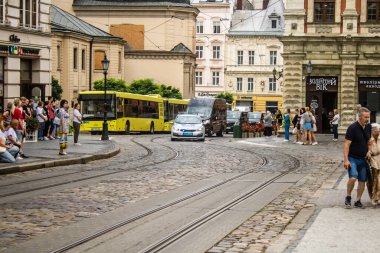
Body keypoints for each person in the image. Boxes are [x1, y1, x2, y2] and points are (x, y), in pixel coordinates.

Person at [344, 107, 371, 208]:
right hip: (352, 158)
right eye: (365, 117)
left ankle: (358, 200)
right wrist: (346, 160)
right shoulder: (352, 128)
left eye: (368, 117)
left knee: (362, 180)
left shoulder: (368, 127)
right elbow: (346, 144)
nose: (367, 119)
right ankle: (348, 196)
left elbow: (369, 141)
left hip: (363, 159)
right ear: (359, 117)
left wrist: (369, 151)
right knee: (353, 177)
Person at [369, 123, 380, 207]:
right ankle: (374, 198)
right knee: (374, 181)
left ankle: (377, 197)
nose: (379, 132)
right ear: (373, 131)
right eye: (378, 130)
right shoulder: (369, 139)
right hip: (373, 161)